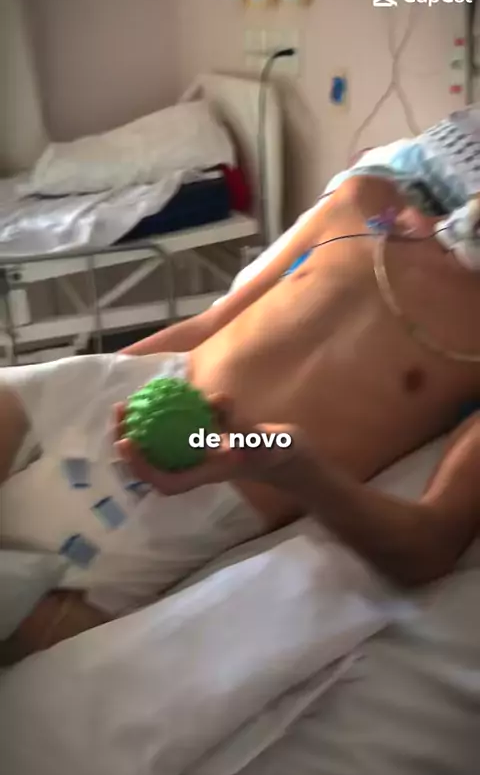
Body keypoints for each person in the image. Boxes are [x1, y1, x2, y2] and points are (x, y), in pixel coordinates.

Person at [1, 171, 479, 660]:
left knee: (27, 629)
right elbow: (212, 322)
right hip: (131, 385)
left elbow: (430, 543)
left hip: (229, 462)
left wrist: (294, 466)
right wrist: (109, 376)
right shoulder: (365, 199)